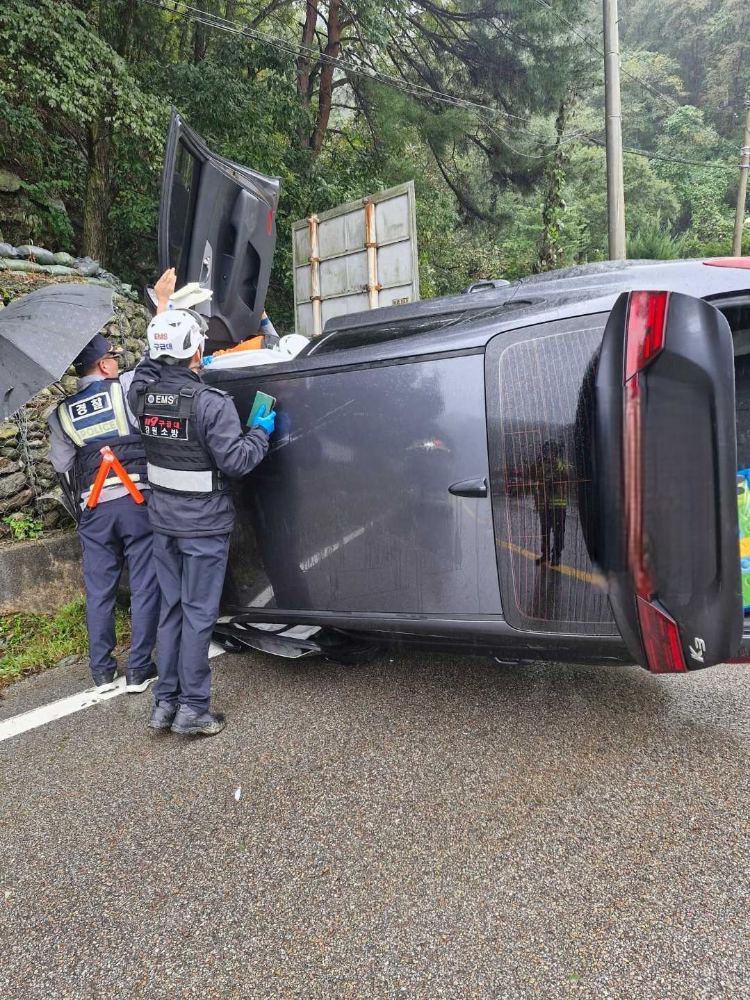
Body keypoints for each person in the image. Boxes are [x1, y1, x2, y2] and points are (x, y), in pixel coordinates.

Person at [128, 275, 275, 736]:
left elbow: (149, 365)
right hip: (204, 527)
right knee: (197, 615)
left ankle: (164, 703)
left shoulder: (142, 394)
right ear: (197, 350)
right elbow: (236, 462)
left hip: (163, 524)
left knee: (172, 611)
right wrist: (261, 432)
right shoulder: (211, 403)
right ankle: (193, 707)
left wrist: (163, 309)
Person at [47, 331, 161, 693]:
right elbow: (155, 366)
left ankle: (102, 671)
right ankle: (139, 669)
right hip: (136, 504)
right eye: (112, 356)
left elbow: (61, 463)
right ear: (104, 364)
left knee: (99, 591)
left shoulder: (60, 415)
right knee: (144, 585)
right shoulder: (124, 388)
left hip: (94, 511)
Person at [534, 439, 572, 567]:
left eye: (550, 451)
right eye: (546, 451)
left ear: (555, 452)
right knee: (545, 531)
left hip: (558, 505)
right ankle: (545, 555)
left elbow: (568, 474)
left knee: (558, 531)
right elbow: (537, 477)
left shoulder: (563, 463)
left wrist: (555, 462)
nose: (547, 454)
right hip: (544, 505)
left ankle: (556, 555)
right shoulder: (542, 465)